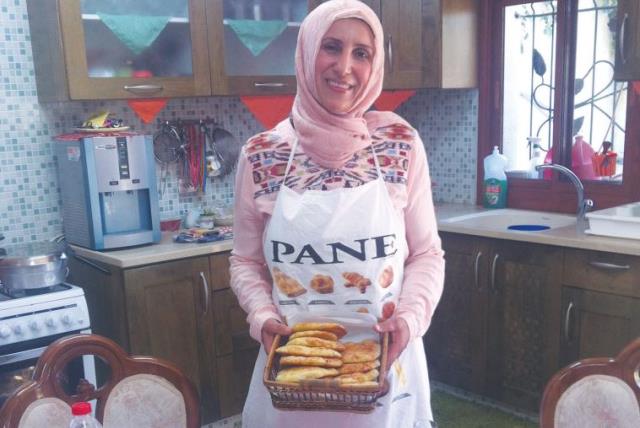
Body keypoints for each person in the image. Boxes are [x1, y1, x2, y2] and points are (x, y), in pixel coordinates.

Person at [229, 1, 445, 426]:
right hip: (292, 374)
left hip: (386, 367)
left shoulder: (401, 145)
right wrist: (262, 316)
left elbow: (426, 254)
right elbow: (245, 260)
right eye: (331, 46)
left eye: (361, 52)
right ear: (308, 52)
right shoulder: (261, 155)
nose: (344, 67)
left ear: (375, 61)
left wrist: (410, 318)